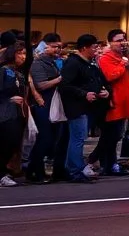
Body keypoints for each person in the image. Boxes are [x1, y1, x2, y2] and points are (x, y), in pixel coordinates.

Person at [58, 34, 106, 184]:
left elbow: (99, 80)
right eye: (94, 47)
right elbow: (64, 86)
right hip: (76, 107)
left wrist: (104, 90)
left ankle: (73, 168)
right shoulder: (73, 63)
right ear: (84, 48)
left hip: (87, 107)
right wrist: (84, 94)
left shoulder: (89, 63)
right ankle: (74, 170)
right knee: (77, 139)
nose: (96, 50)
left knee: (78, 138)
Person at [86, 29, 129, 177]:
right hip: (112, 103)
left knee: (114, 135)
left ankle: (110, 165)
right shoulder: (107, 58)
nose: (122, 43)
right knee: (111, 135)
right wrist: (123, 65)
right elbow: (109, 76)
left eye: (124, 39)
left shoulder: (122, 57)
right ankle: (93, 160)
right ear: (110, 42)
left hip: (122, 101)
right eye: (119, 40)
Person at [25, 34, 64, 183]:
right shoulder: (38, 63)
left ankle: (36, 171)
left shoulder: (54, 62)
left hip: (53, 105)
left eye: (59, 46)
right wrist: (60, 79)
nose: (58, 49)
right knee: (44, 139)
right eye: (54, 46)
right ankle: (35, 172)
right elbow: (41, 85)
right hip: (42, 105)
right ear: (45, 46)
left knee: (51, 139)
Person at [0, 42, 30, 187]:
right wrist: (8, 98)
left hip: (18, 113)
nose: (23, 57)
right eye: (20, 53)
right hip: (5, 113)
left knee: (14, 144)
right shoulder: (3, 71)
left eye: (24, 53)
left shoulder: (19, 73)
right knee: (7, 142)